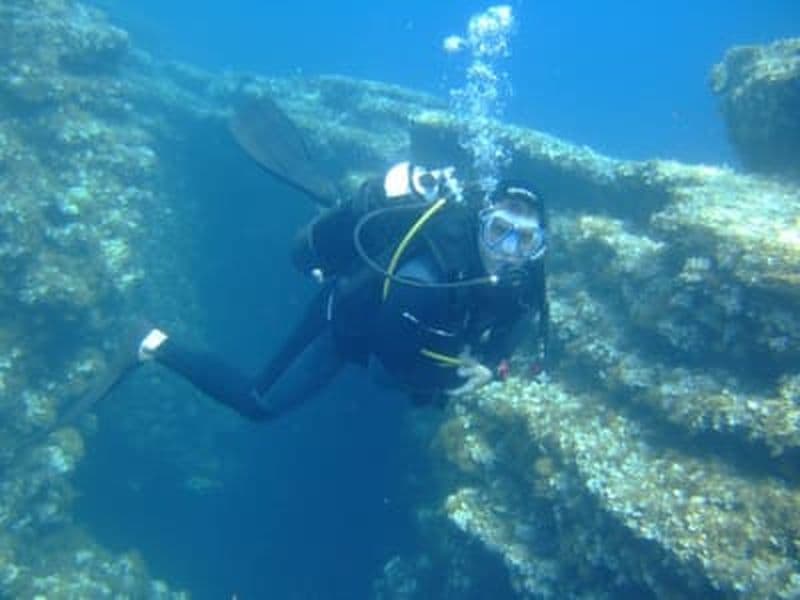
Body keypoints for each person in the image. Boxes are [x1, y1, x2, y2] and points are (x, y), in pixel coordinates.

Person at [134, 159, 550, 421]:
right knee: (259, 405)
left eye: (525, 240)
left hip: (406, 334)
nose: (508, 252)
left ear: (538, 245)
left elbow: (522, 318)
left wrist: (492, 364)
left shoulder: (526, 274)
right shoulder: (425, 277)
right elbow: (385, 370)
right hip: (346, 326)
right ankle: (152, 342)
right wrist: (440, 384)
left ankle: (335, 202)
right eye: (499, 232)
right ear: (482, 222)